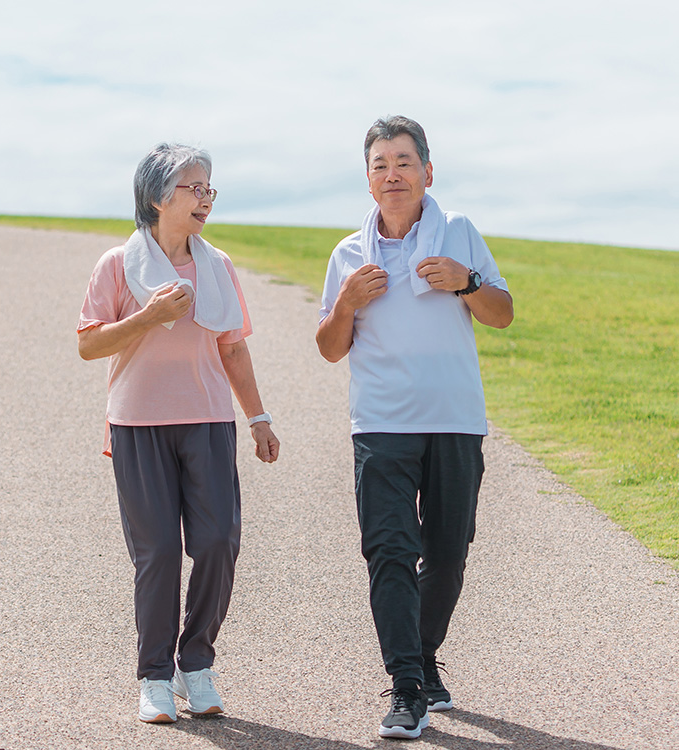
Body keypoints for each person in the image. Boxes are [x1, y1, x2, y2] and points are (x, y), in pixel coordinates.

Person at [316, 116, 513, 740]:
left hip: (455, 422)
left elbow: (503, 315)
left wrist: (467, 281)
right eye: (380, 163)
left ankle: (424, 657)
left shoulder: (459, 232)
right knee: (390, 552)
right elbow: (328, 347)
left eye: (404, 161)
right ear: (368, 178)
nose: (392, 173)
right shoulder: (348, 254)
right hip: (380, 424)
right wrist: (346, 303)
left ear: (428, 172)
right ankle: (405, 688)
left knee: (448, 555)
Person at [78, 143, 279, 724]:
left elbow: (233, 348)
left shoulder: (219, 267)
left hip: (210, 422)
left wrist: (259, 418)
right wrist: (146, 316)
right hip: (138, 425)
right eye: (194, 188)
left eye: (209, 189)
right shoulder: (117, 265)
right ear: (157, 197)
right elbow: (88, 343)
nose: (205, 199)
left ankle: (197, 663)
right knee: (160, 552)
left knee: (218, 542)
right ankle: (155, 676)